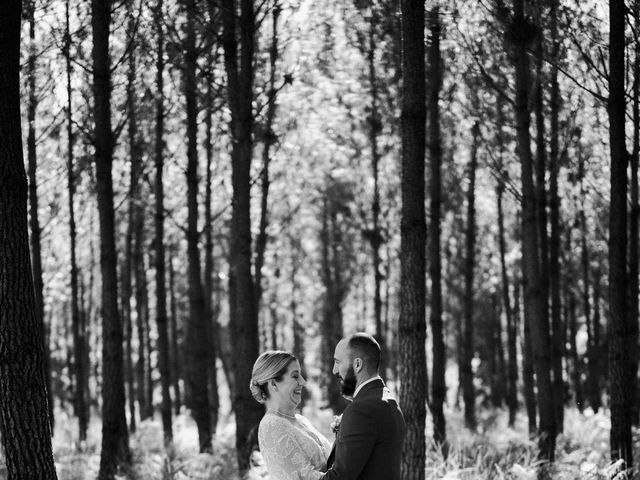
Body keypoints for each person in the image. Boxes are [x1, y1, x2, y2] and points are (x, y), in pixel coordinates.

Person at [320, 332, 406, 480]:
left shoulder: (362, 410)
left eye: (338, 362)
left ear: (357, 364)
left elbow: (340, 478)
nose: (334, 370)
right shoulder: (388, 401)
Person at [250, 350, 332, 480]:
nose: (303, 382)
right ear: (273, 384)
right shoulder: (272, 425)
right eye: (295, 376)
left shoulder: (301, 420)